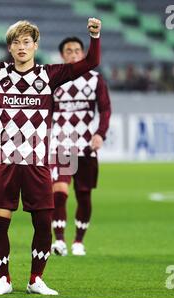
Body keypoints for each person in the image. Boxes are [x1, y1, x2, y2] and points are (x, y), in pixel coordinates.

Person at [0, 14, 101, 295]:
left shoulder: (49, 75)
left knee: (43, 222)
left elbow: (90, 63)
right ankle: (4, 279)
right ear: (9, 48)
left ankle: (35, 279)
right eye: (16, 43)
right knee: (0, 220)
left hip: (37, 162)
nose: (21, 47)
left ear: (35, 46)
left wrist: (94, 37)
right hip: (6, 161)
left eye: (27, 42)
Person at [49, 36, 111, 257]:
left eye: (77, 50)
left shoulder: (95, 79)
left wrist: (100, 134)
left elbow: (105, 109)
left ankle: (78, 241)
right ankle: (59, 241)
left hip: (86, 145)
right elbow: (46, 113)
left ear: (83, 54)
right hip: (63, 145)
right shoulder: (54, 79)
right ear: (62, 55)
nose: (73, 54)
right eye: (68, 50)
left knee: (83, 195)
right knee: (59, 192)